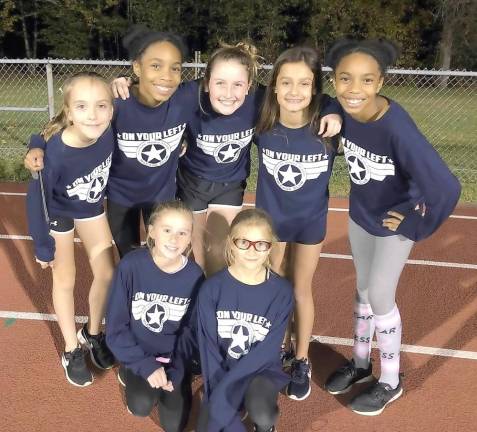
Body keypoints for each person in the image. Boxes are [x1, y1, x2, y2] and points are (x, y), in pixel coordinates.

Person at [112, 42, 342, 275]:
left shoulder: (258, 99)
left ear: (249, 86)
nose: (229, 94)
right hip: (192, 183)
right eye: (220, 83)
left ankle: (213, 301)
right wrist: (127, 80)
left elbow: (315, 98)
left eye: (238, 85)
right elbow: (154, 90)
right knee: (191, 254)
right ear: (206, 83)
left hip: (229, 185)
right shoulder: (190, 96)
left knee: (220, 254)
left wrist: (332, 109)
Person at [323, 38, 461, 415]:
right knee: (363, 290)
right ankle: (361, 363)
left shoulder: (396, 128)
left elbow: (447, 187)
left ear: (380, 83)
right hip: (361, 215)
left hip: (392, 223)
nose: (354, 89)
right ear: (334, 80)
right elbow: (335, 103)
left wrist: (418, 223)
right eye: (345, 79)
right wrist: (334, 110)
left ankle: (390, 380)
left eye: (366, 81)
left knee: (381, 296)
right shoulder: (346, 107)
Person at [24, 25, 195, 258]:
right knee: (129, 256)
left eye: (175, 68)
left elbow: (221, 82)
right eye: (156, 65)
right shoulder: (116, 103)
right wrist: (36, 145)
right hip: (121, 197)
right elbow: (59, 125)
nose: (166, 75)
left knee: (166, 256)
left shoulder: (183, 98)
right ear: (137, 67)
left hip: (162, 196)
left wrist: (184, 136)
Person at [254, 46, 340, 401]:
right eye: (286, 82)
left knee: (301, 288)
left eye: (304, 83)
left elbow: (366, 108)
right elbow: (214, 92)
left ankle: (301, 358)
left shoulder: (329, 125)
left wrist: (336, 111)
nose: (294, 91)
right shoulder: (261, 120)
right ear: (273, 86)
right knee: (271, 287)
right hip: (270, 222)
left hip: (309, 223)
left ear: (315, 89)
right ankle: (273, 350)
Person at [26, 72, 116, 386]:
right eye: (82, 107)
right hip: (58, 212)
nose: (93, 114)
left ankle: (91, 333)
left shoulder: (107, 130)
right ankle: (71, 349)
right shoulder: (57, 153)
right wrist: (42, 245)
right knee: (66, 279)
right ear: (69, 112)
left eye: (101, 106)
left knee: (107, 271)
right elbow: (35, 200)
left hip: (89, 206)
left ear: (111, 109)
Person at [106, 200, 204, 432]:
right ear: (151, 230)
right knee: (140, 406)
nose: (174, 239)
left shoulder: (194, 276)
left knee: (174, 426)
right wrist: (144, 365)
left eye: (182, 232)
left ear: (190, 238)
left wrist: (179, 368)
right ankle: (130, 368)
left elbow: (192, 331)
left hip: (175, 358)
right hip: (141, 353)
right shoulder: (130, 267)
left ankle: (174, 380)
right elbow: (116, 328)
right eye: (167, 230)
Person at [196, 208, 293, 432]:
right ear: (231, 243)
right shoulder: (211, 289)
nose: (252, 250)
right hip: (221, 368)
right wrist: (219, 390)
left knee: (261, 411)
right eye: (244, 242)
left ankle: (265, 425)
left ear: (270, 247)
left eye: (261, 244)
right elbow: (209, 349)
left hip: (260, 370)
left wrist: (224, 393)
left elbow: (267, 352)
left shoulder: (281, 292)